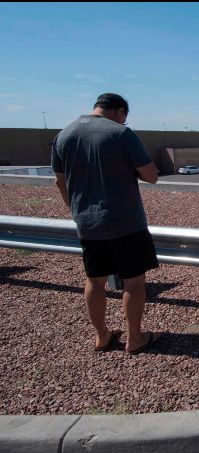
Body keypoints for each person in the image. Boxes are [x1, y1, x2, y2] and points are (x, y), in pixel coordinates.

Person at [51, 93, 161, 354]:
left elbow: (59, 181)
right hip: (125, 222)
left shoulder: (63, 135)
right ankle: (135, 339)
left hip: (87, 224)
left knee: (94, 280)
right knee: (133, 282)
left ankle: (102, 336)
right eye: (124, 116)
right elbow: (151, 175)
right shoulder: (121, 134)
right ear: (120, 112)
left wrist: (77, 211)